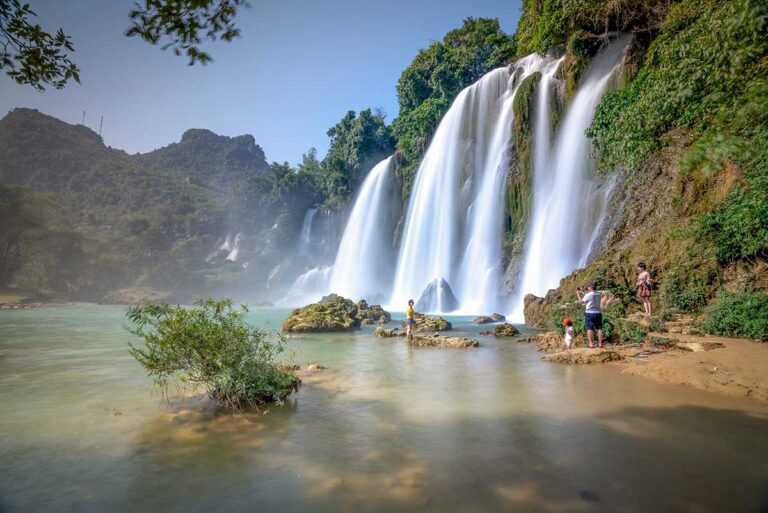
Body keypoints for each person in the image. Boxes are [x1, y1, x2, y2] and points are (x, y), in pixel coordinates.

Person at [576, 282, 603, 348]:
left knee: (589, 328)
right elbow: (591, 294)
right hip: (598, 313)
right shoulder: (599, 293)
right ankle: (600, 344)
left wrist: (578, 294)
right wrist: (582, 291)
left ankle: (591, 344)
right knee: (599, 328)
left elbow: (581, 301)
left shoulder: (588, 295)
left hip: (589, 313)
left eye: (588, 287)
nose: (587, 288)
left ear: (590, 287)